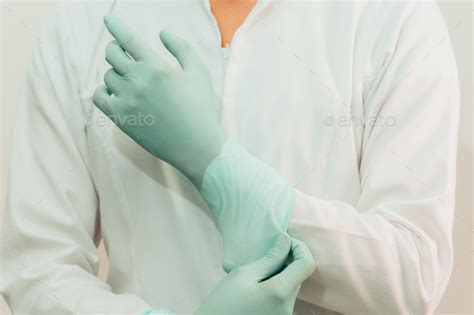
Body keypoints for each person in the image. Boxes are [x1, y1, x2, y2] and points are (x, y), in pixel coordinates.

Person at [1, 0, 459, 314]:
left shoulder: (395, 17)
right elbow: (34, 268)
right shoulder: (85, 22)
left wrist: (219, 167)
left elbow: (414, 271)